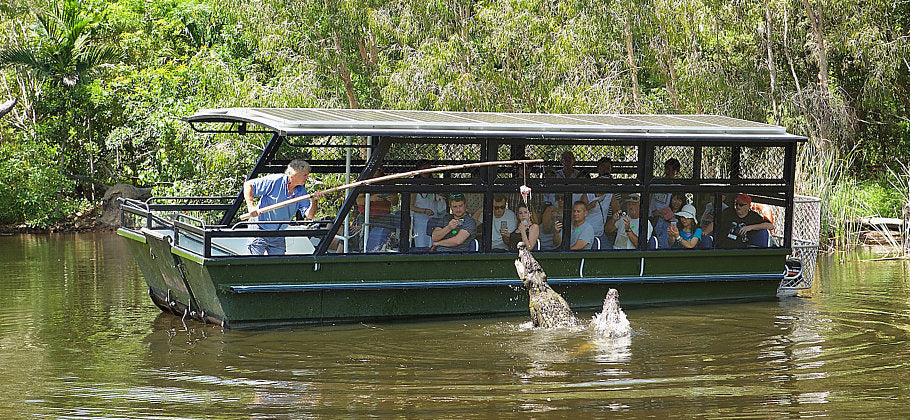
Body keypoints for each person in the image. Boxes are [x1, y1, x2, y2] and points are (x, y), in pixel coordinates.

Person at [243, 159, 323, 255]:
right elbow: (248, 185)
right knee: (254, 264)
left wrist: (314, 201)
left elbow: (309, 215)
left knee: (278, 265)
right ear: (294, 174)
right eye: (305, 175)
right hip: (259, 228)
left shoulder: (301, 192)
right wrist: (251, 207)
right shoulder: (275, 180)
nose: (307, 178)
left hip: (278, 232)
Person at [355, 169, 399, 252]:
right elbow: (358, 201)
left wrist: (392, 199)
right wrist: (371, 198)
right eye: (376, 169)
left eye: (379, 168)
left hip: (384, 216)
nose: (377, 170)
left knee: (381, 240)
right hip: (366, 215)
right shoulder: (363, 179)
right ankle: (362, 254)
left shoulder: (388, 179)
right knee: (363, 239)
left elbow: (395, 202)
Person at [410, 161, 446, 248]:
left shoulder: (433, 184)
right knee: (422, 242)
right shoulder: (414, 186)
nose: (426, 171)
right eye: (424, 168)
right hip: (420, 220)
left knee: (433, 242)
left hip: (434, 217)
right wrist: (424, 211)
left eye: (428, 168)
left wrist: (440, 197)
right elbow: (410, 206)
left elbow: (431, 198)